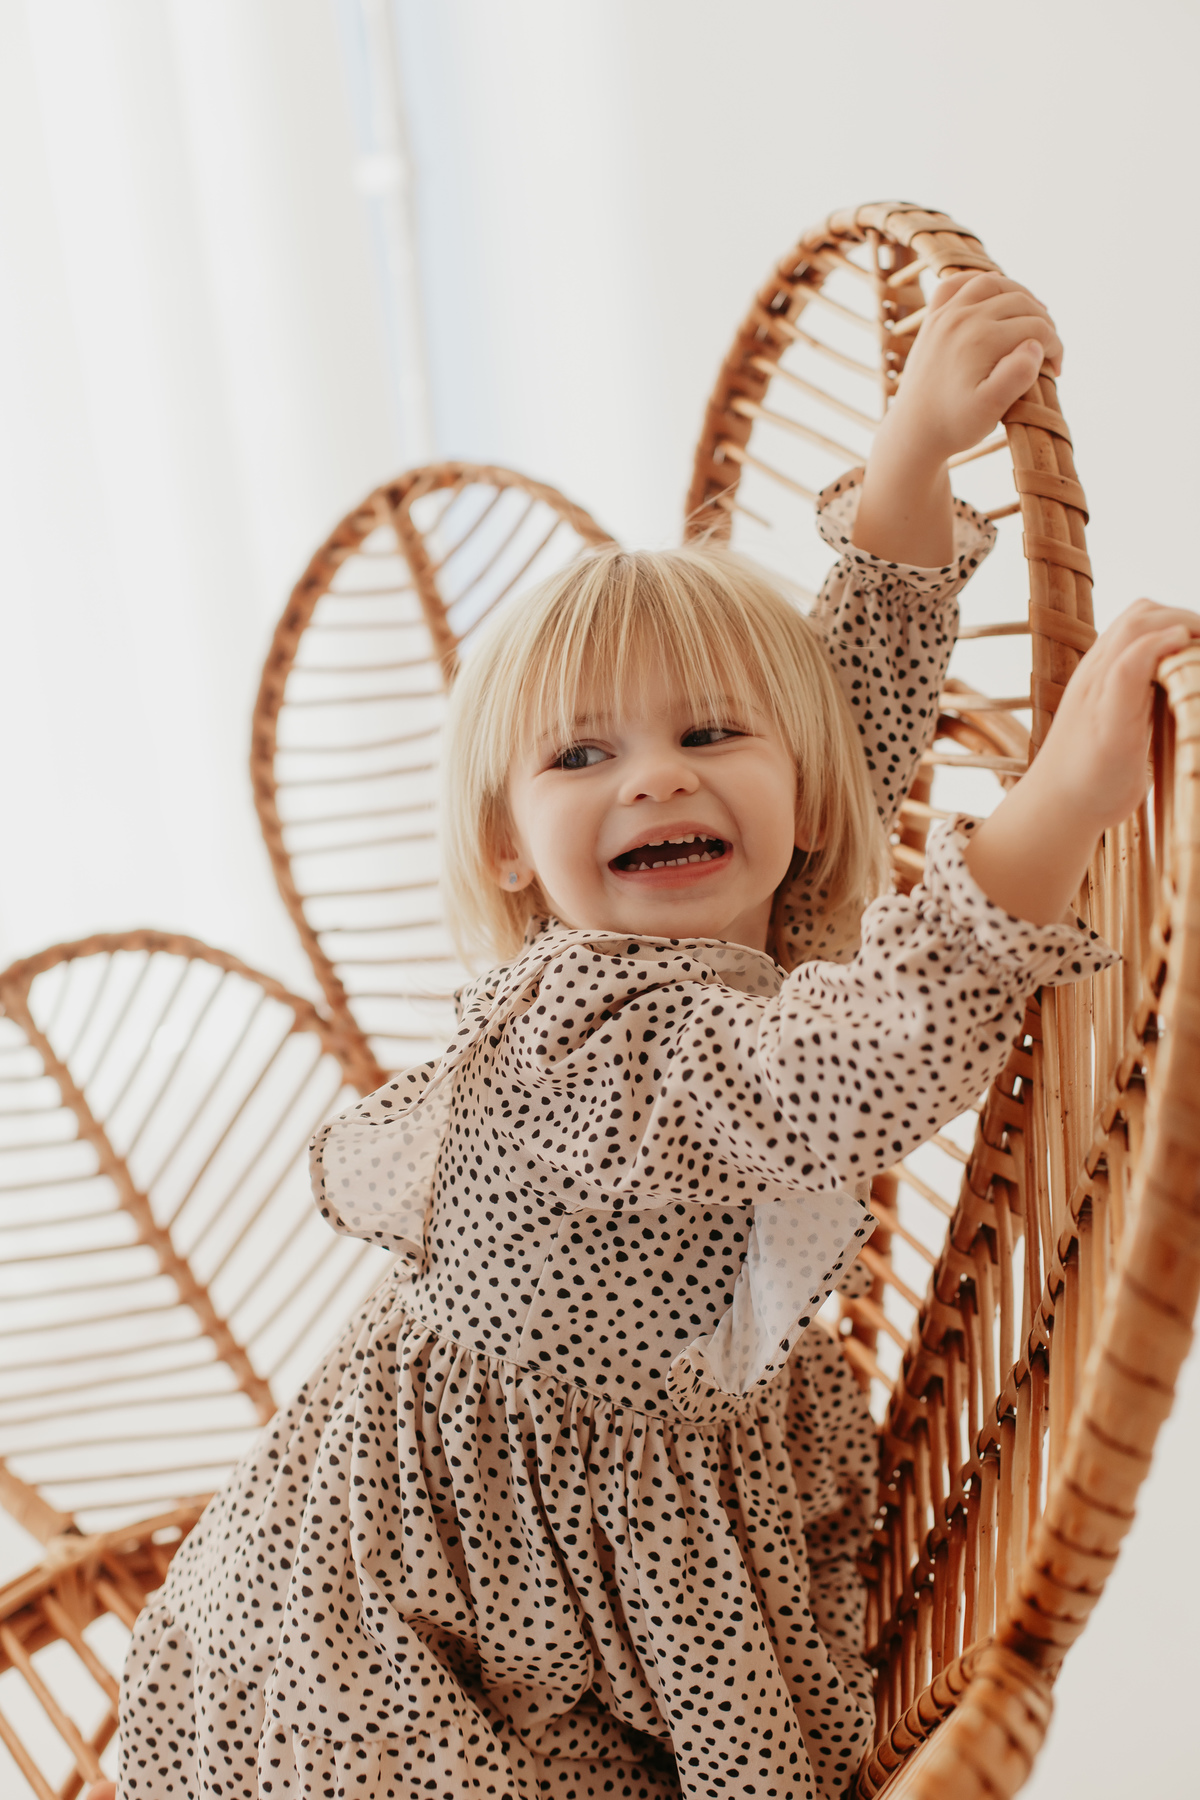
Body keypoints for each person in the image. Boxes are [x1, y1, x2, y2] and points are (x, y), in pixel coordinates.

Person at [90, 274, 1197, 1800]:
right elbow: (855, 1062)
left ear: (800, 801)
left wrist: (910, 461)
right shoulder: (601, 1046)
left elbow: (846, 718)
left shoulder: (764, 921)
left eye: (710, 735)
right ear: (508, 851)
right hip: (427, 1601)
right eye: (583, 756)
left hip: (617, 1501)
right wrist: (1060, 804)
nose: (658, 780)